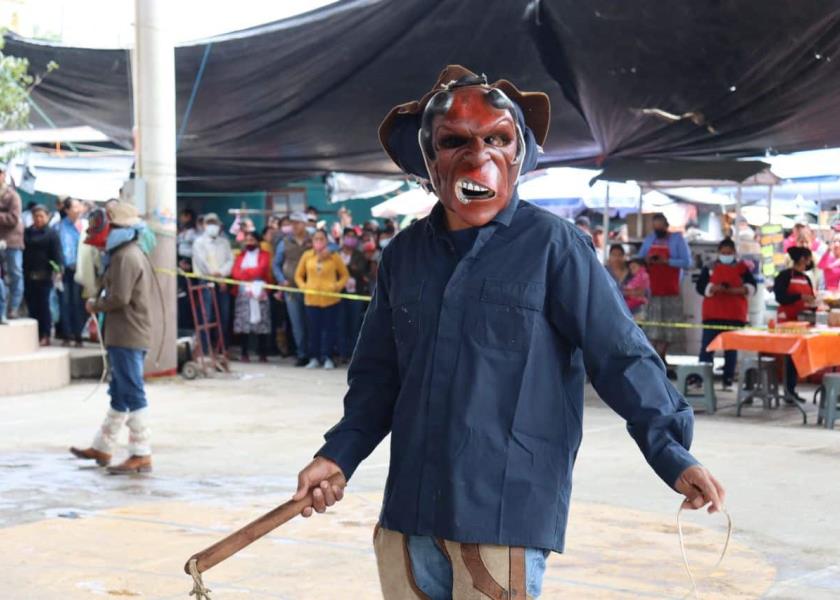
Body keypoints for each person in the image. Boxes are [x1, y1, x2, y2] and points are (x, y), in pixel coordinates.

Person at [290, 65, 724, 599]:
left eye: (497, 138)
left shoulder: (556, 247)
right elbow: (378, 378)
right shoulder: (405, 255)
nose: (479, 158)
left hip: (503, 515)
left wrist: (671, 452)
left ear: (519, 155)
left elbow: (621, 357)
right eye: (455, 142)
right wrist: (338, 455)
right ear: (428, 159)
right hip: (410, 512)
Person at [70, 202, 154, 474]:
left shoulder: (126, 256)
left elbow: (120, 298)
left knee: (132, 391)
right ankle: (103, 446)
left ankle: (141, 453)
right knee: (119, 392)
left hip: (129, 333)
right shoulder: (122, 253)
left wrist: (96, 305)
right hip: (121, 333)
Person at [696, 239, 756, 389]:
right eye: (723, 253)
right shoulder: (709, 267)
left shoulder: (743, 268)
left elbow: (751, 287)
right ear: (718, 253)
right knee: (707, 348)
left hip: (735, 315)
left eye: (729, 253)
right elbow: (700, 286)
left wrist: (735, 291)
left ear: (734, 253)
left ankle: (728, 380)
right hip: (712, 314)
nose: (726, 255)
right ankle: (701, 379)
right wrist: (714, 288)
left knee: (731, 350)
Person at [639, 213, 692, 361]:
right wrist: (648, 260)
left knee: (670, 325)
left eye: (660, 226)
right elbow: (640, 258)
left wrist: (667, 261)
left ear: (666, 225)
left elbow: (687, 262)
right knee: (653, 324)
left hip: (671, 289)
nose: (657, 229)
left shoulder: (677, 239)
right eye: (655, 226)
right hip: (653, 289)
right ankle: (654, 356)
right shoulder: (650, 239)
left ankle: (663, 354)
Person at [295, 229, 349, 370]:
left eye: (321, 239)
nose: (318, 242)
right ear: (312, 241)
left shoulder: (334, 256)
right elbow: (298, 275)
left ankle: (328, 357)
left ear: (326, 241)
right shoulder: (307, 256)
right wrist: (304, 287)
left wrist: (336, 286)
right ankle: (314, 357)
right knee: (313, 330)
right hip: (311, 300)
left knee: (329, 330)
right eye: (316, 239)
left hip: (330, 300)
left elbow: (344, 275)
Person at [774, 246, 817, 402]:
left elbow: (811, 297)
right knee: (789, 357)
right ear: (801, 259)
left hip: (803, 321)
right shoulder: (784, 276)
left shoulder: (806, 278)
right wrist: (799, 297)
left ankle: (791, 389)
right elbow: (780, 297)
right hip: (787, 321)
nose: (809, 262)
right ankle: (788, 390)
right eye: (807, 258)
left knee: (797, 356)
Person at [273, 212, 312, 366]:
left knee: (312, 322)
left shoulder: (314, 239)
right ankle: (302, 354)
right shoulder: (284, 242)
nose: (295, 226)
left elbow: (333, 247)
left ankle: (314, 354)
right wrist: (281, 280)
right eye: (292, 223)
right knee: (297, 323)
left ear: (305, 224)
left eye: (298, 222)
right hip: (291, 288)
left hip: (312, 287)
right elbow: (276, 264)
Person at [191, 212, 234, 351]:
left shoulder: (224, 242)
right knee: (206, 316)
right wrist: (215, 275)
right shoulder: (199, 242)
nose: (212, 226)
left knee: (224, 315)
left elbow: (230, 260)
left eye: (214, 223)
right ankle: (204, 348)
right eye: (209, 223)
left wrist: (221, 274)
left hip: (222, 281)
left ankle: (222, 347)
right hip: (205, 281)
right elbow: (202, 262)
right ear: (204, 225)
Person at [23, 205, 63, 345]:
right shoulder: (27, 233)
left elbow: (57, 255)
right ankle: (34, 335)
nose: (38, 219)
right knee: (32, 307)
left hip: (44, 276)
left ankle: (45, 334)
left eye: (41, 216)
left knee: (44, 307)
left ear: (47, 217)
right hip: (28, 276)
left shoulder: (52, 234)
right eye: (36, 216)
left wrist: (58, 270)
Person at [231, 230, 272, 362]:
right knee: (244, 323)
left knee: (262, 321)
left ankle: (263, 353)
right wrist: (250, 274)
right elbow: (235, 273)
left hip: (260, 292)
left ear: (258, 242)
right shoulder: (240, 256)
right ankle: (244, 353)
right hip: (243, 293)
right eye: (247, 240)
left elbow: (261, 269)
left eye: (252, 240)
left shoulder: (265, 255)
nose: (249, 242)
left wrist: (246, 273)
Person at [56, 198, 87, 346]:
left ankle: (79, 334)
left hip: (82, 270)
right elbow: (59, 250)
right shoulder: (60, 227)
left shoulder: (85, 226)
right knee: (65, 301)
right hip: (66, 270)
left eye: (79, 206)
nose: (78, 209)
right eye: (74, 207)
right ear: (67, 210)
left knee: (79, 303)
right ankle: (67, 334)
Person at [336, 227, 369, 363]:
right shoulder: (336, 254)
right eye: (348, 236)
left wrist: (346, 266)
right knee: (341, 324)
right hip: (340, 293)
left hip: (356, 293)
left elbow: (360, 270)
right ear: (343, 238)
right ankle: (342, 354)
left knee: (355, 325)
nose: (350, 239)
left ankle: (354, 355)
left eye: (353, 237)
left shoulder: (359, 255)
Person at [0, 164, 24, 319]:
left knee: (15, 273)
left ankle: (14, 307)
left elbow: (14, 219)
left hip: (12, 241)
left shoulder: (12, 195)